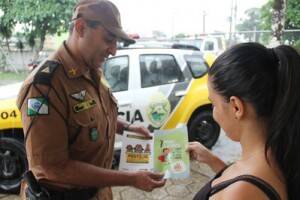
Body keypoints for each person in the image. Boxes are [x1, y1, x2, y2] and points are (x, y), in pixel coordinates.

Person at [16, 0, 166, 199]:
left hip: (99, 192)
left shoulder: (92, 69)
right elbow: (53, 167)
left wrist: (127, 128)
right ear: (81, 28)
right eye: (108, 39)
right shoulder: (44, 87)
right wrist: (130, 179)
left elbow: (91, 119)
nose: (113, 50)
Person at [187, 43, 300, 200]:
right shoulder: (277, 154)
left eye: (213, 104)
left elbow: (243, 188)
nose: (213, 115)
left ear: (236, 107)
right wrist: (212, 160)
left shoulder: (239, 193)